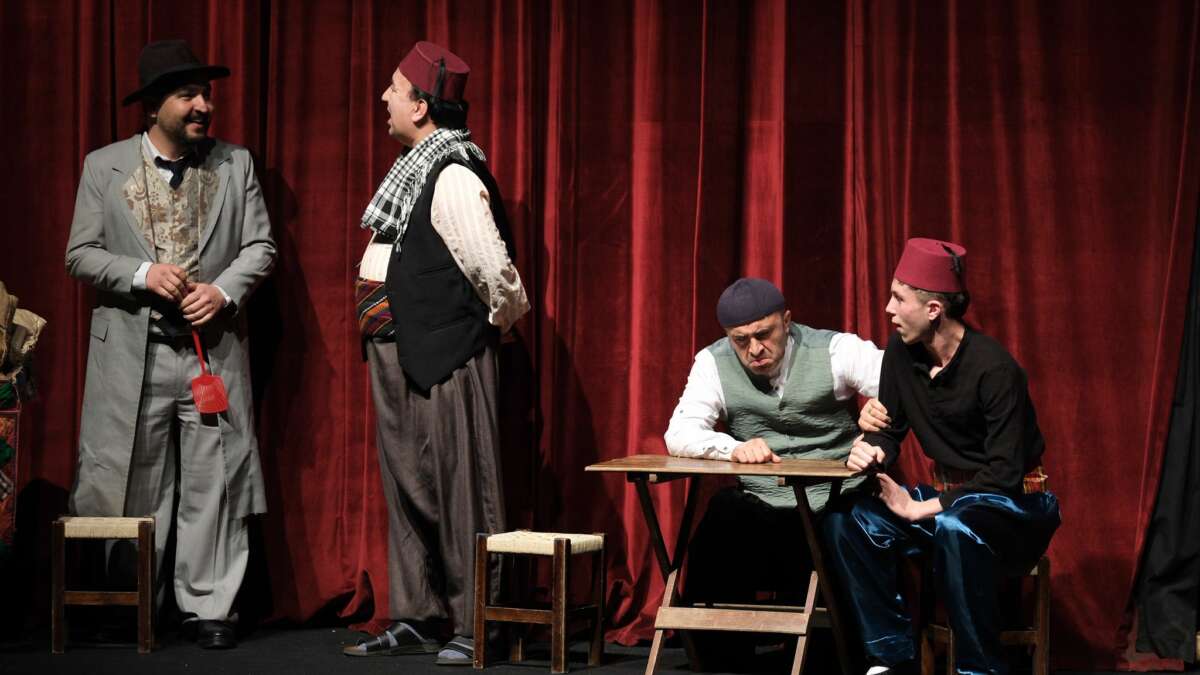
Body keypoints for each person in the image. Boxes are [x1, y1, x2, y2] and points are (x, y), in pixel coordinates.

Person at [65, 39, 276, 650]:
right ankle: (131, 601)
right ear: (153, 106)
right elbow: (80, 254)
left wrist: (223, 291)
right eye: (188, 96)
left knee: (216, 479)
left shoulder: (235, 165)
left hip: (212, 353)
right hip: (135, 352)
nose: (204, 106)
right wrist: (141, 273)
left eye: (205, 95)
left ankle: (209, 606)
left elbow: (260, 246)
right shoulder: (103, 166)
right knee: (133, 478)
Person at [343, 41, 529, 665]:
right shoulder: (415, 169)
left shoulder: (451, 173)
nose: (385, 97)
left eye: (395, 89)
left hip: (447, 352)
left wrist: (483, 331)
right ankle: (419, 614)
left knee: (462, 488)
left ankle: (478, 620)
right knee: (407, 487)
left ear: (421, 105)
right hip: (397, 351)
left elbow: (494, 270)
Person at [822, 238, 1060, 675]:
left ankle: (979, 670)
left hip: (1016, 507)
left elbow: (1004, 473)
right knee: (847, 522)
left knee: (955, 527)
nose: (889, 309)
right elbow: (890, 430)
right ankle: (891, 659)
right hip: (949, 502)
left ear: (933, 309)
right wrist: (871, 449)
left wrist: (922, 507)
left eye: (899, 298)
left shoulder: (995, 369)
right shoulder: (901, 352)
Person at [663, 277, 882, 664]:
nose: (754, 349)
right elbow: (679, 433)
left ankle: (835, 652)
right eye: (740, 340)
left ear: (787, 321)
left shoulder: (835, 349)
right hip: (766, 501)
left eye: (764, 334)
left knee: (847, 526)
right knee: (724, 516)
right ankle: (721, 655)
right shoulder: (712, 362)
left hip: (836, 498)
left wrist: (879, 416)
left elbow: (900, 385)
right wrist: (733, 447)